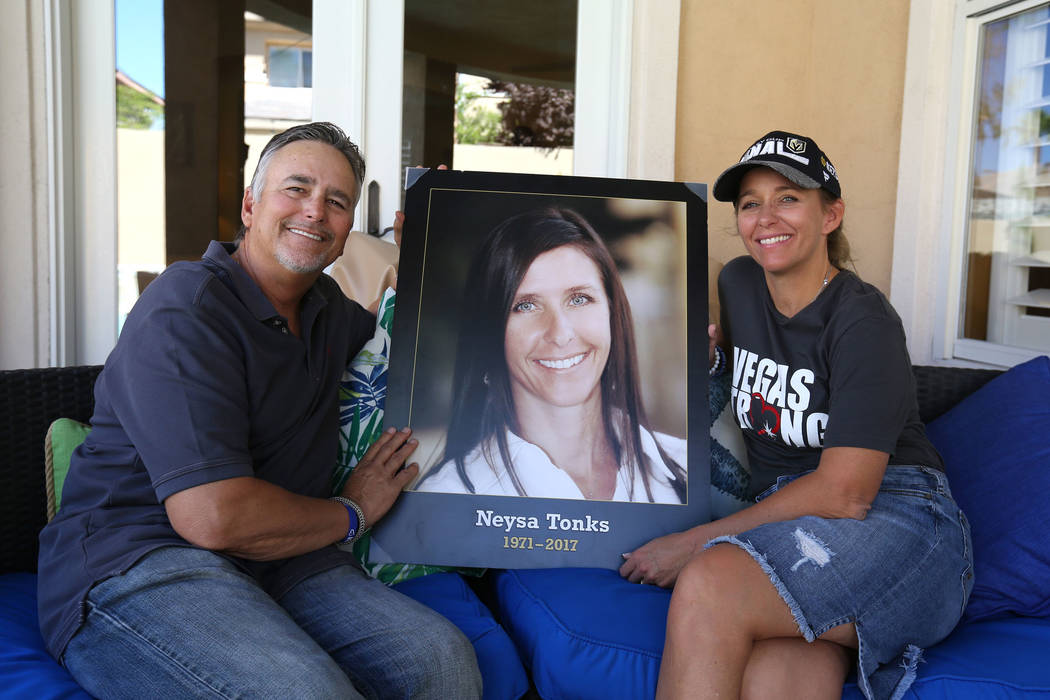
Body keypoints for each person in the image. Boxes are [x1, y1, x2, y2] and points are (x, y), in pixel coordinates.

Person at [36, 122, 482, 699]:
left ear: (349, 229)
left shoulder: (329, 312)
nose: (315, 211)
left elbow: (410, 337)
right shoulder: (185, 307)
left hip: (286, 563)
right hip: (139, 560)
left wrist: (434, 246)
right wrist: (353, 511)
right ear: (251, 205)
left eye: (337, 201)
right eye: (295, 189)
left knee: (442, 662)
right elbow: (211, 518)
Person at [619, 131, 973, 699]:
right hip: (790, 523)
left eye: (788, 197)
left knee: (713, 580)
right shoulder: (737, 282)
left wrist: (697, 542)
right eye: (750, 202)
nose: (766, 217)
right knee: (777, 673)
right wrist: (714, 362)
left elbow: (845, 494)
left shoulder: (865, 323)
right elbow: (752, 371)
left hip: (899, 518)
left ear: (830, 215)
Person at [415, 207, 687, 503]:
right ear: (489, 334)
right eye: (526, 306)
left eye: (579, 299)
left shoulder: (688, 468)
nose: (560, 333)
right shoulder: (448, 496)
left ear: (612, 313)